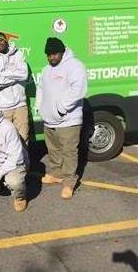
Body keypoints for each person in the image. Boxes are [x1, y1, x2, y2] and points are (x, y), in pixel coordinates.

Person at [36, 37, 87, 199]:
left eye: (54, 54)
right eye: (48, 55)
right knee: (54, 149)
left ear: (62, 52)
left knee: (69, 151)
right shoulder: (46, 70)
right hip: (49, 118)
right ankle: (56, 174)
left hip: (68, 120)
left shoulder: (75, 66)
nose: (51, 58)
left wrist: (60, 108)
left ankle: (69, 182)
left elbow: (79, 90)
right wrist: (40, 107)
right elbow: (40, 89)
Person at [0, 32, 29, 144]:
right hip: (3, 107)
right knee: (4, 139)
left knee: (23, 138)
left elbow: (24, 75)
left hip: (20, 104)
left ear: (6, 41)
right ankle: (8, 162)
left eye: (1, 40)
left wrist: (4, 73)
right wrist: (15, 76)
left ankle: (23, 161)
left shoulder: (18, 54)